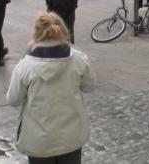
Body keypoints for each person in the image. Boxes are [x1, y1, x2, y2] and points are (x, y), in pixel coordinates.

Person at [7, 12, 97, 164]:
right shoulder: (79, 59)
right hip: (71, 137)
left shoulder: (25, 66)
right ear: (63, 30)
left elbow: (13, 100)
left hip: (38, 141)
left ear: (36, 33)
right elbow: (90, 86)